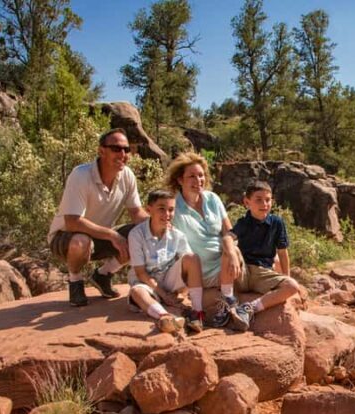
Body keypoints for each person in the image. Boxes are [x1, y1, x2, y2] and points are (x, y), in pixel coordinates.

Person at [48, 128, 148, 307]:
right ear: (101, 151)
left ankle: (103, 275)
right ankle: (75, 281)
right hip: (65, 238)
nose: (123, 154)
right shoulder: (81, 175)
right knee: (81, 241)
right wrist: (113, 235)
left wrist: (157, 225)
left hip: (101, 237)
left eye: (127, 149)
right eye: (116, 149)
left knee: (141, 234)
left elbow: (136, 212)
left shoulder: (127, 176)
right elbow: (72, 222)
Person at [165, 152, 243, 327]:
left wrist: (231, 251)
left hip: (224, 266)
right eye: (191, 176)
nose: (198, 180)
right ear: (179, 180)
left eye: (200, 175)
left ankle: (227, 299)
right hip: (196, 274)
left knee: (231, 247)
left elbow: (228, 231)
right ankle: (206, 308)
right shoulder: (174, 207)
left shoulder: (212, 199)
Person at [127, 190, 205, 334]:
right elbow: (140, 273)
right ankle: (166, 318)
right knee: (136, 292)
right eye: (161, 209)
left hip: (168, 280)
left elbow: (189, 265)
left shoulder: (177, 235)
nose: (167, 214)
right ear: (149, 209)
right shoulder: (136, 234)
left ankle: (197, 313)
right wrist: (163, 295)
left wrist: (183, 292)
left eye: (171, 210)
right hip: (146, 283)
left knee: (193, 258)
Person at [228, 180, 300, 331]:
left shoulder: (277, 223)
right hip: (243, 272)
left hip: (263, 273)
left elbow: (282, 252)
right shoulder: (243, 222)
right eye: (258, 200)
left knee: (292, 286)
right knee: (231, 249)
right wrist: (232, 253)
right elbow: (228, 237)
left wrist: (286, 277)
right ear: (247, 202)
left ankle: (249, 308)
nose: (264, 204)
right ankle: (227, 301)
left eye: (267, 200)